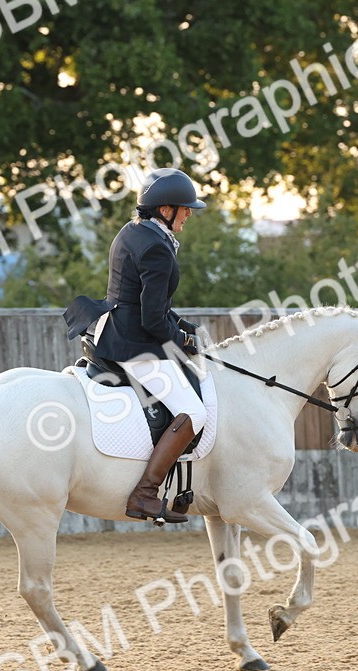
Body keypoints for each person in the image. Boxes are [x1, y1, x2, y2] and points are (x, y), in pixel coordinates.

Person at [63, 168, 208, 524]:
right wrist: (181, 341)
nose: (189, 214)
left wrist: (181, 324)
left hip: (113, 328)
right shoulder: (157, 249)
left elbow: (143, 301)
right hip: (133, 343)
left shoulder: (135, 232)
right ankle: (144, 493)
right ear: (165, 209)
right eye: (184, 208)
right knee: (196, 413)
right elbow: (152, 320)